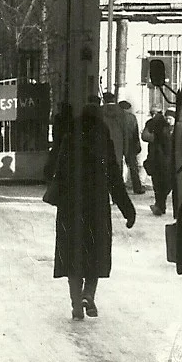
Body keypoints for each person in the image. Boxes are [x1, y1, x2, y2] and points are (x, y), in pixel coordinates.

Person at [53, 100, 136, 320]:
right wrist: (128, 209)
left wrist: (56, 195)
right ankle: (88, 294)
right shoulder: (102, 142)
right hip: (96, 207)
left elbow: (58, 171)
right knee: (95, 254)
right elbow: (115, 179)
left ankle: (75, 305)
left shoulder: (70, 139)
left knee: (72, 256)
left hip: (70, 207)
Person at [99, 92, 143, 194]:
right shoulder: (126, 115)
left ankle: (106, 192)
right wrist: (130, 147)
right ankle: (120, 190)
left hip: (104, 143)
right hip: (123, 144)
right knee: (120, 168)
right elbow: (130, 132)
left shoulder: (100, 111)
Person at [143, 110, 173, 216]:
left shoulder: (153, 124)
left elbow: (145, 136)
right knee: (164, 183)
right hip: (166, 159)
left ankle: (160, 205)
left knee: (158, 183)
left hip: (157, 159)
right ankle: (160, 205)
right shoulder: (169, 129)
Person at [118, 99, 145, 195]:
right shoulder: (132, 118)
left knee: (118, 166)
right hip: (131, 144)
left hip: (119, 143)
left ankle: (119, 188)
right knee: (133, 167)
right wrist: (138, 145)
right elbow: (135, 133)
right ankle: (137, 188)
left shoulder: (117, 117)